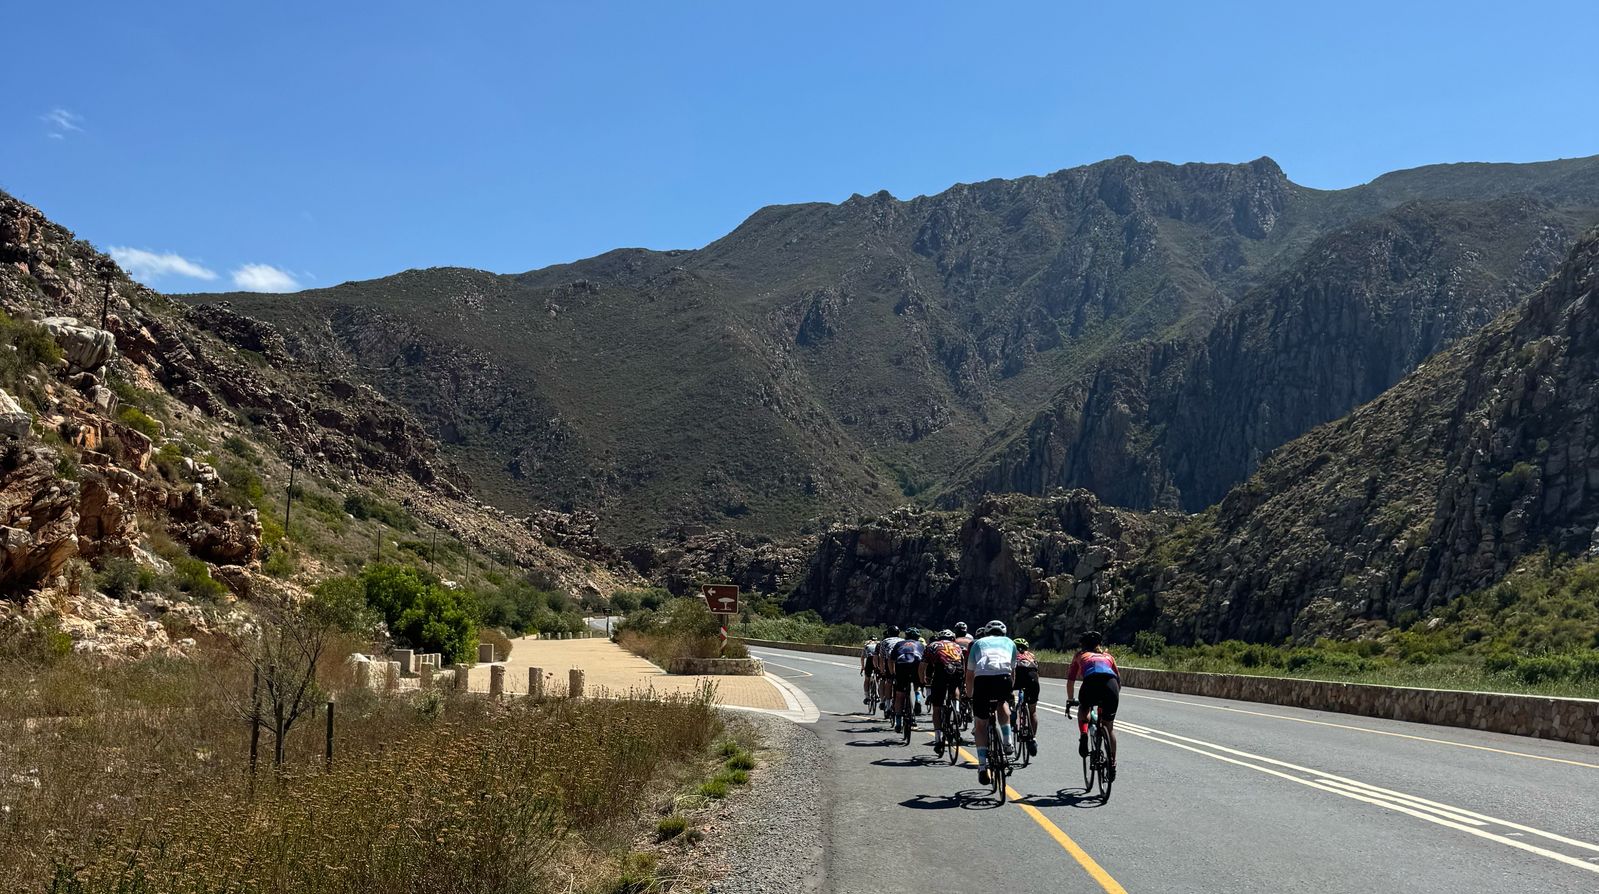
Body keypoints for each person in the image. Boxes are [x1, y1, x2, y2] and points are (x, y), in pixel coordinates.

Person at [964, 620, 1017, 785]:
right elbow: (1012, 671)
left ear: (987, 633)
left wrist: (969, 694)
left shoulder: (977, 643)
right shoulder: (1010, 643)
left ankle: (981, 766)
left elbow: (970, 674)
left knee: (980, 725)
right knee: (1002, 704)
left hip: (983, 680)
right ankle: (1008, 743)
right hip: (1004, 678)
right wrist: (1009, 692)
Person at [1066, 630, 1121, 782]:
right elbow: (1118, 679)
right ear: (1098, 644)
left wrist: (1070, 699)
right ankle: (1112, 764)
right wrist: (1113, 697)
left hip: (1091, 683)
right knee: (1109, 727)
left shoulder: (1080, 656)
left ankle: (1084, 734)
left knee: (1084, 709)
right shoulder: (1108, 656)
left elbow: (1071, 680)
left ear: (1083, 644)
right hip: (1111, 686)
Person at [924, 629, 966, 755]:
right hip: (957, 669)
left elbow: (924, 664)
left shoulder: (932, 645)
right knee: (955, 689)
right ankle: (957, 709)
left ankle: (937, 739)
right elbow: (963, 662)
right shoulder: (957, 646)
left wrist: (924, 680)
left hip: (941, 671)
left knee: (937, 707)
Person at [891, 627, 926, 736]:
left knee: (900, 694)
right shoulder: (920, 645)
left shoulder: (900, 643)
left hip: (902, 666)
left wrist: (893, 673)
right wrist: (923, 677)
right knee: (917, 686)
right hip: (916, 665)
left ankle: (898, 722)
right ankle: (918, 700)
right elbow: (925, 662)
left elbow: (891, 660)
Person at [1011, 638, 1040, 757]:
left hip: (1017, 676)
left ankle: (1012, 711)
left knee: (1008, 694)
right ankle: (1033, 738)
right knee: (1032, 711)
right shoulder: (1031, 655)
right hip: (1032, 678)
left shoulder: (1012, 653)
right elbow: (1037, 672)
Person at [875, 627, 903, 724]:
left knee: (889, 682)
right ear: (898, 633)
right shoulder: (902, 640)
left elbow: (881, 657)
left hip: (889, 662)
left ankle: (887, 705)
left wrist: (882, 671)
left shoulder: (885, 641)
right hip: (902, 662)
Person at [861, 637, 879, 708]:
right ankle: (877, 695)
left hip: (869, 659)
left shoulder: (867, 644)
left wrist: (863, 667)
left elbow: (862, 657)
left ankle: (867, 697)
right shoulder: (878, 643)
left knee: (867, 679)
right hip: (877, 659)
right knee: (878, 678)